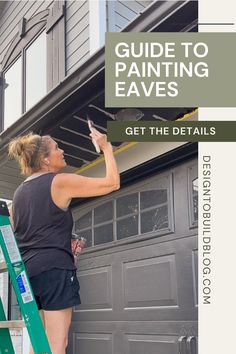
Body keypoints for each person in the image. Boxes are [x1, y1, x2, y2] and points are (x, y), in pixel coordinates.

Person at [8, 128, 120, 354]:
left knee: (39, 341)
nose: (62, 151)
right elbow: (112, 183)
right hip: (54, 271)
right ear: (45, 159)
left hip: (26, 275)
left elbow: (24, 233)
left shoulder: (18, 194)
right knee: (57, 344)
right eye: (57, 148)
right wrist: (106, 147)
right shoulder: (58, 182)